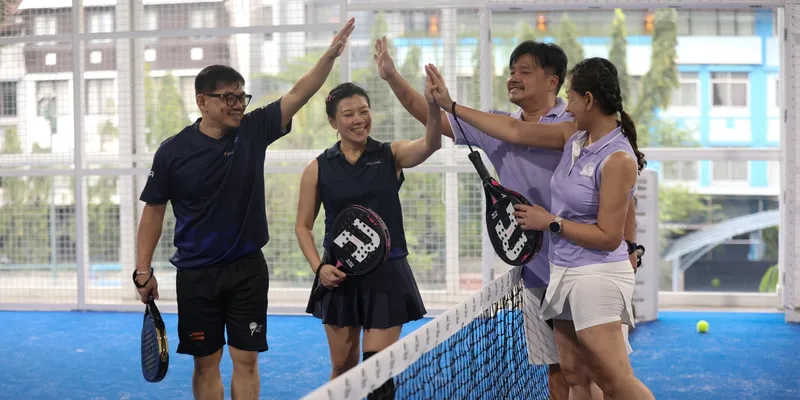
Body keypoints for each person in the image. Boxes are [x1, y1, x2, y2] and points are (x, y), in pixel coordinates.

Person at [374, 37, 638, 400]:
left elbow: (621, 195)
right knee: (564, 374)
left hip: (592, 267)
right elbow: (429, 111)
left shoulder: (577, 125)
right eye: (511, 71)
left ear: (553, 81)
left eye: (524, 71)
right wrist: (391, 77)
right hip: (539, 271)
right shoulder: (495, 125)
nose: (513, 78)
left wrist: (632, 243)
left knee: (608, 376)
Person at [132, 18, 355, 400]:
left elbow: (299, 93)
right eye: (228, 98)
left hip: (247, 270)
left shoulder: (252, 131)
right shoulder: (172, 152)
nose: (238, 104)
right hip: (196, 273)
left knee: (246, 359)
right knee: (206, 362)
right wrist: (142, 271)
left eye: (241, 96)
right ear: (203, 101)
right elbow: (153, 212)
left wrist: (330, 56)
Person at [295, 70, 442, 398]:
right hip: (339, 277)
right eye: (348, 114)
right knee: (342, 370)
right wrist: (319, 267)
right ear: (334, 122)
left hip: (387, 276)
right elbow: (302, 226)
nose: (359, 119)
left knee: (377, 374)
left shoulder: (391, 154)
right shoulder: (317, 168)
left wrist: (433, 107)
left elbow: (431, 144)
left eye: (364, 111)